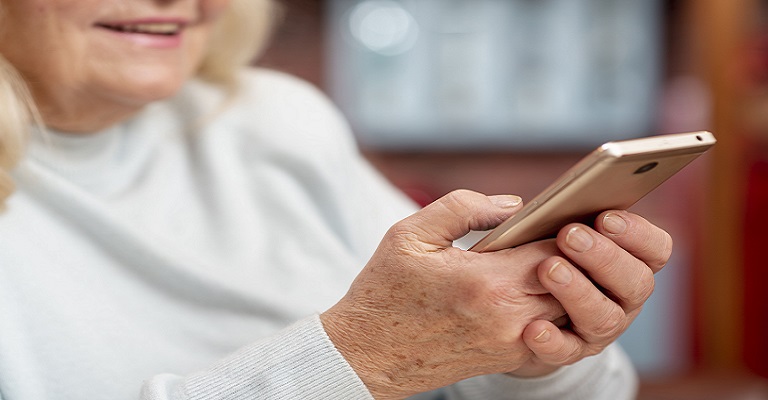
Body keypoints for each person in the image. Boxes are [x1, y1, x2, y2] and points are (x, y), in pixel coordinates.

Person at [0, 0, 673, 399]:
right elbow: (380, 351)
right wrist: (358, 358)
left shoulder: (273, 120)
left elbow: (607, 389)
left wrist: (533, 360)